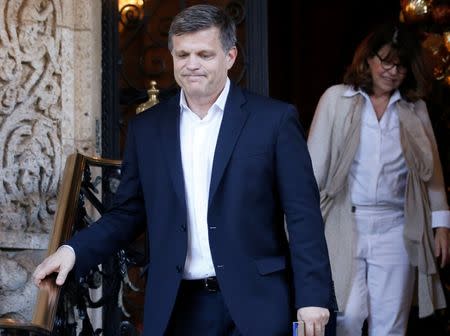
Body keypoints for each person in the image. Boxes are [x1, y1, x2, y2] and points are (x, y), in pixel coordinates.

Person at [33, 4, 336, 336]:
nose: (192, 64)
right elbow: (128, 212)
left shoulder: (274, 121)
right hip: (180, 306)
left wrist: (313, 297)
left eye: (204, 54)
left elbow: (303, 214)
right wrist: (73, 250)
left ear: (230, 57)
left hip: (258, 304)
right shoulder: (147, 128)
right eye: (183, 54)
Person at [307, 22, 450, 336]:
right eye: (386, 61)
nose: (392, 71)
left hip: (397, 226)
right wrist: (302, 223)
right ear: (367, 59)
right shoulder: (336, 99)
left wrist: (441, 225)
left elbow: (433, 173)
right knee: (346, 314)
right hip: (346, 221)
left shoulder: (415, 109)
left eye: (400, 65)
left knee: (391, 322)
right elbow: (313, 168)